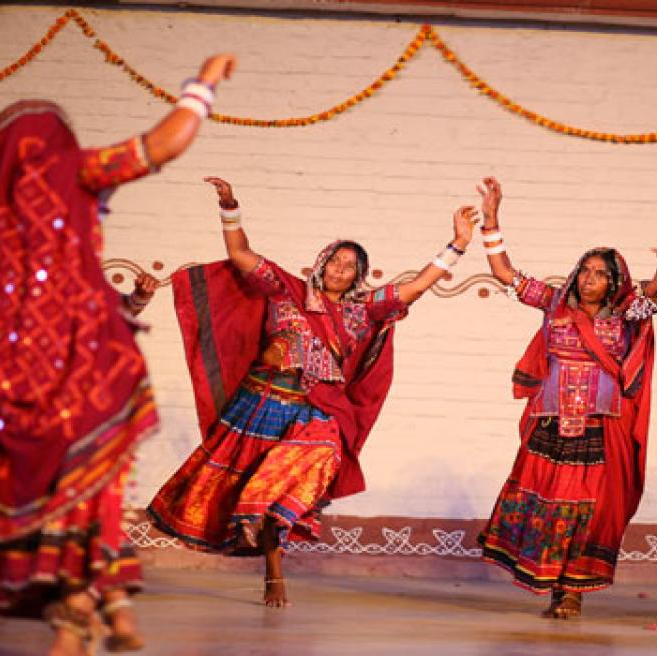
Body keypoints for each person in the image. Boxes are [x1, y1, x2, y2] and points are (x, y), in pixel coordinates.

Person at [0, 54, 238, 656]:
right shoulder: (69, 172)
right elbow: (164, 143)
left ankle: (86, 619)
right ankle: (104, 607)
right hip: (83, 375)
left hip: (13, 393)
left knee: (60, 503)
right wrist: (202, 85)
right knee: (95, 492)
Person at [149, 176, 480, 608]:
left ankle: (263, 537)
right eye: (336, 261)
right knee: (240, 482)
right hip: (260, 402)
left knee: (313, 459)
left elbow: (415, 285)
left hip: (311, 410)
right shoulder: (284, 290)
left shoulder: (359, 312)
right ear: (321, 264)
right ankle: (273, 574)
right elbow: (240, 254)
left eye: (351, 266)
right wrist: (231, 207)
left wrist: (457, 244)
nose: (342, 270)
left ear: (359, 275)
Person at [476, 176, 657, 618]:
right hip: (551, 421)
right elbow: (505, 273)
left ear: (614, 281)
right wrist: (492, 219)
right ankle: (549, 578)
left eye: (601, 274)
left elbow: (656, 290)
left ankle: (573, 588)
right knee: (546, 500)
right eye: (586, 270)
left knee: (590, 509)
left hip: (602, 423)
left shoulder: (626, 313)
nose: (591, 279)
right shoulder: (555, 303)